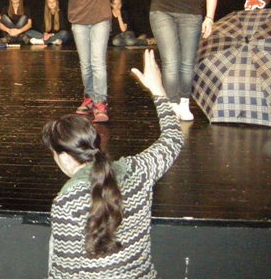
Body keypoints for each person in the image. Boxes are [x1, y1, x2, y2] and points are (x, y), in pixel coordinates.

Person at [42, 49, 183, 278]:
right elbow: (173, 139)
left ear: (65, 157)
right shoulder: (139, 170)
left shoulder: (67, 201)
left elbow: (65, 273)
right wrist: (157, 91)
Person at [51, 0, 133, 122]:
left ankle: (100, 103)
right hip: (79, 21)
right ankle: (89, 97)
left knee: (98, 63)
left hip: (100, 20)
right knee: (86, 64)